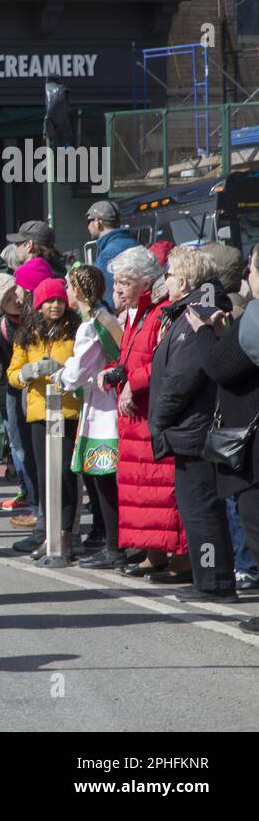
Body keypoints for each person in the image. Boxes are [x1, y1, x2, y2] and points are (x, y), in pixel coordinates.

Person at [148, 247, 237, 601]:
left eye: (169, 274)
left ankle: (214, 582)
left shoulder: (195, 316)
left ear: (183, 281)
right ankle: (209, 579)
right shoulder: (191, 312)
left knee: (201, 510)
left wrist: (159, 418)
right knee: (198, 509)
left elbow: (183, 377)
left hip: (194, 429)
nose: (165, 280)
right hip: (191, 428)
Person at [104, 246, 188, 580]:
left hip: (151, 412)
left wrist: (132, 383)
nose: (118, 288)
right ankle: (153, 553)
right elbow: (130, 359)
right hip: (136, 416)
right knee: (142, 492)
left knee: (160, 490)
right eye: (117, 282)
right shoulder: (137, 315)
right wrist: (115, 373)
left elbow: (163, 362)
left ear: (145, 282)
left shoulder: (162, 312)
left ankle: (180, 559)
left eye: (125, 281)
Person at [192, 243, 259, 628]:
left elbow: (221, 367)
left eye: (252, 267)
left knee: (254, 521)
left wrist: (204, 333)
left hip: (253, 446)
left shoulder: (256, 315)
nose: (249, 275)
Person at [6, 277, 83, 558]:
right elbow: (13, 374)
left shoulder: (76, 329)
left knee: (64, 472)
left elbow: (83, 366)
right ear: (38, 305)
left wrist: (64, 370)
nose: (55, 305)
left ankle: (66, 535)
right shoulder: (28, 333)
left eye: (60, 300)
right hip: (40, 412)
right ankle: (48, 534)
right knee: (44, 475)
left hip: (68, 410)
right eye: (49, 301)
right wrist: (28, 372)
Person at [56, 265, 125, 568]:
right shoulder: (103, 317)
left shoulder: (90, 326)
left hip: (103, 407)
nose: (67, 293)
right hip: (102, 401)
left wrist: (59, 376)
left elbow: (75, 373)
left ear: (80, 291)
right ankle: (114, 542)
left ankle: (114, 545)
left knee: (104, 480)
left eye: (70, 287)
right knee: (104, 480)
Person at [0, 272, 38, 518]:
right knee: (22, 447)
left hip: (45, 391)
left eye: (14, 291)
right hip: (16, 392)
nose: (15, 299)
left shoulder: (42, 312)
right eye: (7, 299)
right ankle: (34, 500)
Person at [87, 201, 138, 309]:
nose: (87, 226)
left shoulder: (106, 256)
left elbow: (106, 299)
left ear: (97, 222)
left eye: (88, 221)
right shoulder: (136, 244)